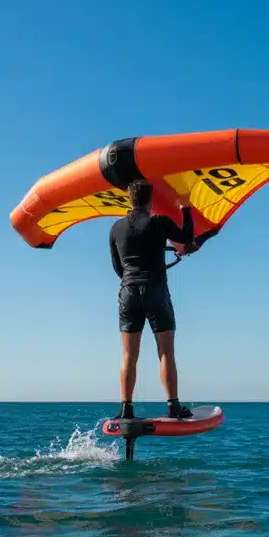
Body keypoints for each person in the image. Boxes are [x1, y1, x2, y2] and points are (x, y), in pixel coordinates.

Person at [109, 179, 198, 421]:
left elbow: (118, 267)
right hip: (155, 290)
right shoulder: (159, 222)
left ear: (130, 200)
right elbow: (187, 237)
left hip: (128, 292)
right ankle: (173, 406)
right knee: (165, 352)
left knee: (129, 355)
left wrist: (132, 278)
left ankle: (126, 409)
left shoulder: (116, 228)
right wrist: (185, 207)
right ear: (150, 201)